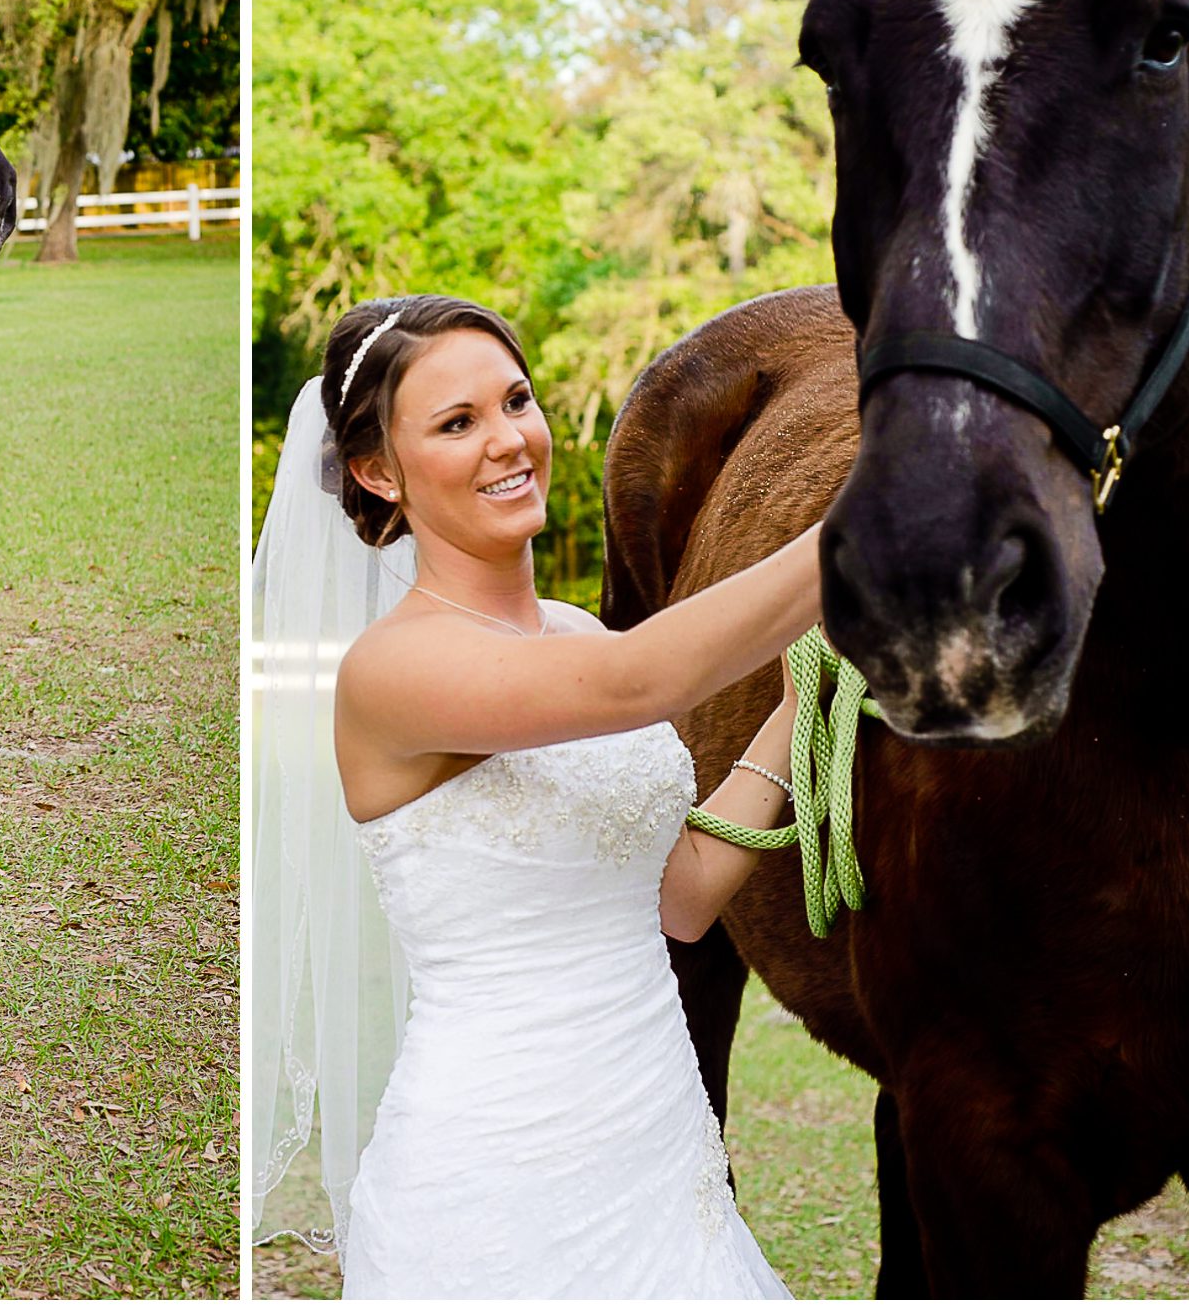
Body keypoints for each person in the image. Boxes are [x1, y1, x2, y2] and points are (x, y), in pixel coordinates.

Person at [251, 293, 818, 1298]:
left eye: (515, 400)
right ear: (379, 471)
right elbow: (644, 684)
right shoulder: (391, 673)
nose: (508, 439)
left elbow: (680, 899)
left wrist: (798, 693)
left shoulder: (581, 636)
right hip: (496, 1183)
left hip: (659, 1150)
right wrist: (860, 530)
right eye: (456, 423)